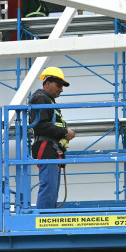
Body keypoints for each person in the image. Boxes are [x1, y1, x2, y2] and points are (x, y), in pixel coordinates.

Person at [29, 67, 76, 209]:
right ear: (47, 83)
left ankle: (48, 218)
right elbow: (40, 126)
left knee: (52, 186)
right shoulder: (41, 99)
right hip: (46, 147)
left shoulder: (47, 101)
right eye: (58, 85)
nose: (61, 89)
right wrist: (64, 133)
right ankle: (44, 221)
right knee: (49, 186)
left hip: (51, 148)